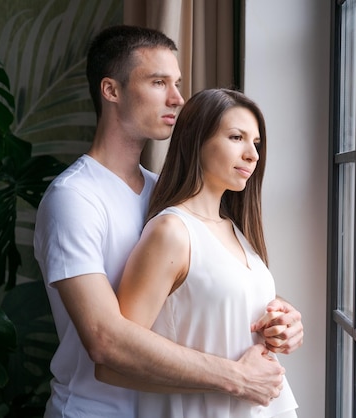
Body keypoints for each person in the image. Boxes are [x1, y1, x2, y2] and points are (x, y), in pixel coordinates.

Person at [33, 25, 303, 418]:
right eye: (159, 82)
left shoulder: (166, 195)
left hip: (166, 407)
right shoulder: (74, 199)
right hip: (95, 410)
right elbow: (105, 340)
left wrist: (275, 315)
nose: (177, 98)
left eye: (177, 83)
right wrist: (237, 377)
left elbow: (199, 293)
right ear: (111, 90)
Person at [95, 88, 299, 417]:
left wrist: (284, 325)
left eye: (256, 144)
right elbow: (116, 364)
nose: (252, 155)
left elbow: (224, 311)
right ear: (196, 140)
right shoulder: (171, 232)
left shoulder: (235, 230)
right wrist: (235, 379)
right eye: (236, 137)